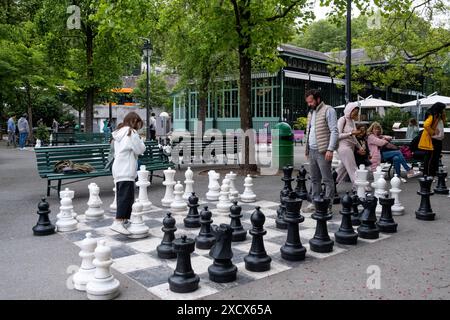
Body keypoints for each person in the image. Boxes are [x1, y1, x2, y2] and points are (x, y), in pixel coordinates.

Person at [110, 112, 146, 235]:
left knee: (123, 196)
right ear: (134, 121)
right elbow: (140, 150)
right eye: (138, 123)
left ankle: (124, 221)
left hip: (118, 167)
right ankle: (118, 222)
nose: (138, 126)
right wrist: (141, 141)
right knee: (126, 197)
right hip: (126, 168)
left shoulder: (120, 132)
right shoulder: (132, 133)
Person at [304, 89, 339, 212]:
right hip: (312, 151)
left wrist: (330, 149)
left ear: (318, 99)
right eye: (307, 102)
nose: (309, 104)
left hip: (323, 151)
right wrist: (307, 148)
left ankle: (327, 205)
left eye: (311, 101)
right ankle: (315, 202)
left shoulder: (329, 110)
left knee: (327, 179)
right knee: (314, 179)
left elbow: (334, 131)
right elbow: (309, 132)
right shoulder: (311, 113)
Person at [335, 102, 360, 184]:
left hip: (350, 147)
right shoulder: (342, 119)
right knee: (353, 168)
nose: (356, 116)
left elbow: (354, 137)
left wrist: (360, 147)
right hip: (344, 147)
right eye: (355, 113)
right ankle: (359, 186)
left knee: (342, 169)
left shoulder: (352, 122)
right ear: (349, 111)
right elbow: (337, 135)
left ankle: (330, 184)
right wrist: (350, 133)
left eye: (357, 114)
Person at [419, 102, 446, 177]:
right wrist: (433, 132)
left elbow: (444, 122)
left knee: (436, 157)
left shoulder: (438, 115)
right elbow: (426, 125)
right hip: (432, 139)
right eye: (443, 109)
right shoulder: (432, 115)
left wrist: (443, 115)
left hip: (438, 139)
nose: (444, 110)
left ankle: (433, 173)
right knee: (430, 157)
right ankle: (428, 173)